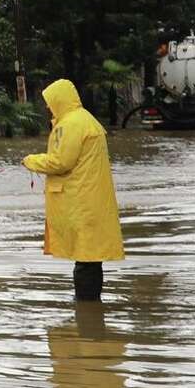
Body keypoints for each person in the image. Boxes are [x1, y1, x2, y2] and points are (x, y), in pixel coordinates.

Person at [21, 78, 125, 301]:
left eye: (49, 102)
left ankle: (86, 310)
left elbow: (60, 162)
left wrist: (31, 161)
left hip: (80, 202)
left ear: (59, 100)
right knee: (91, 258)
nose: (48, 107)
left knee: (85, 259)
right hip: (92, 201)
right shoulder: (87, 120)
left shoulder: (68, 125)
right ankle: (92, 309)